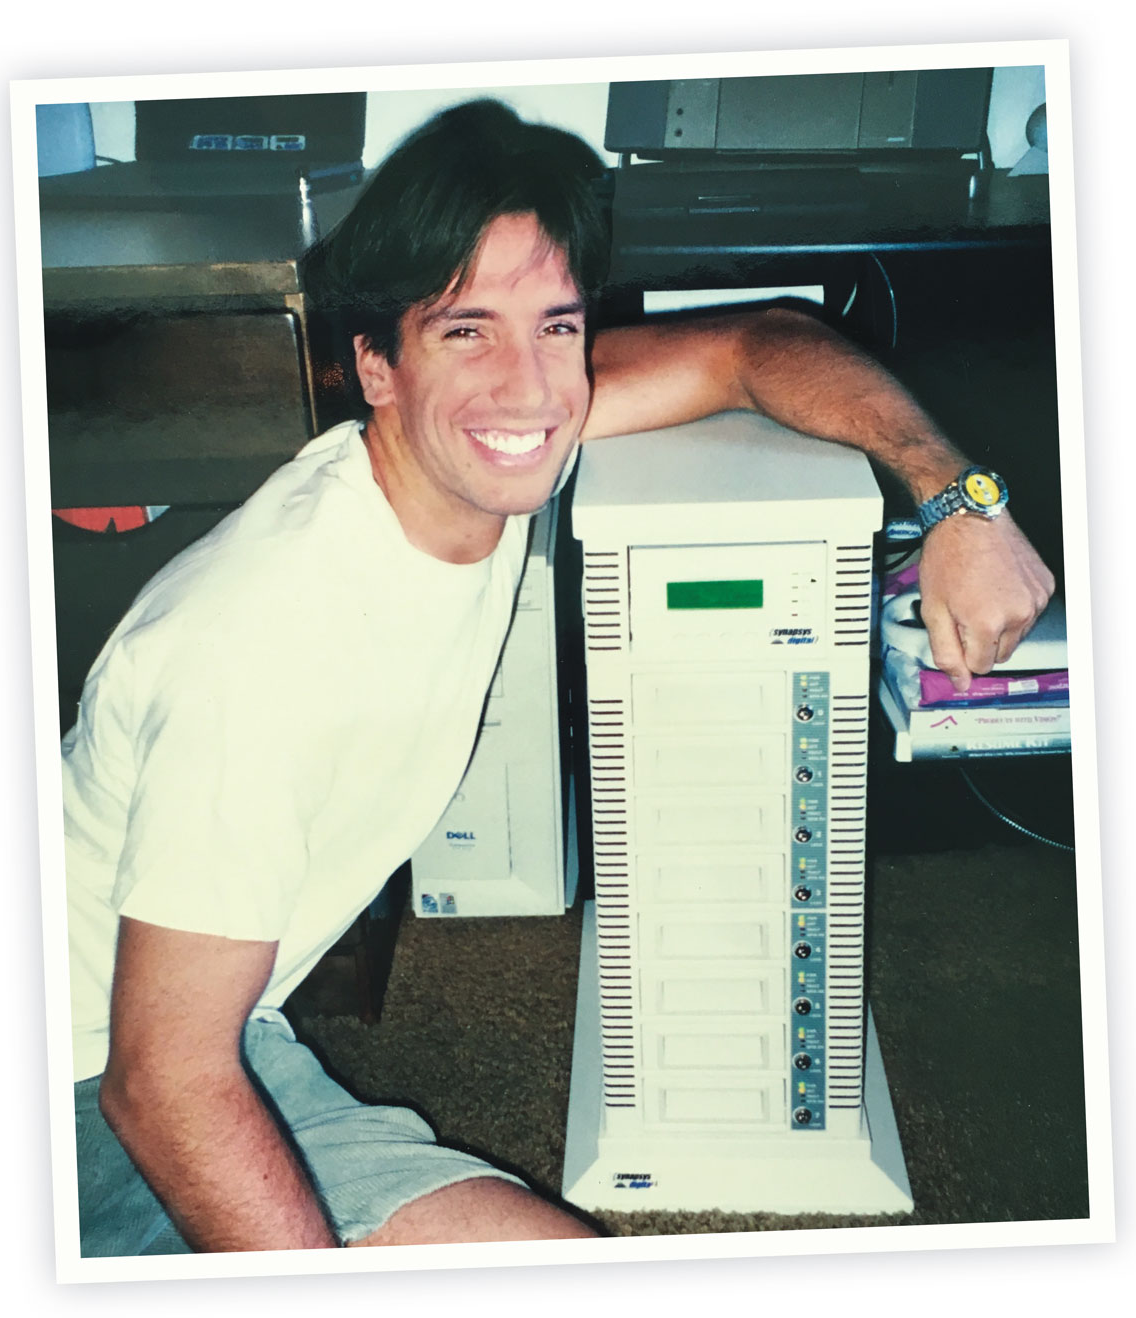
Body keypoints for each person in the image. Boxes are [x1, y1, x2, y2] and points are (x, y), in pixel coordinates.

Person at [63, 99, 1054, 1256]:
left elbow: (758, 343)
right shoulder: (264, 645)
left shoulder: (478, 455)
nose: (530, 390)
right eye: (466, 331)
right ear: (377, 365)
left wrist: (958, 499)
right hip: (90, 1080)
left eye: (558, 326)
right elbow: (160, 1084)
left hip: (218, 1021)